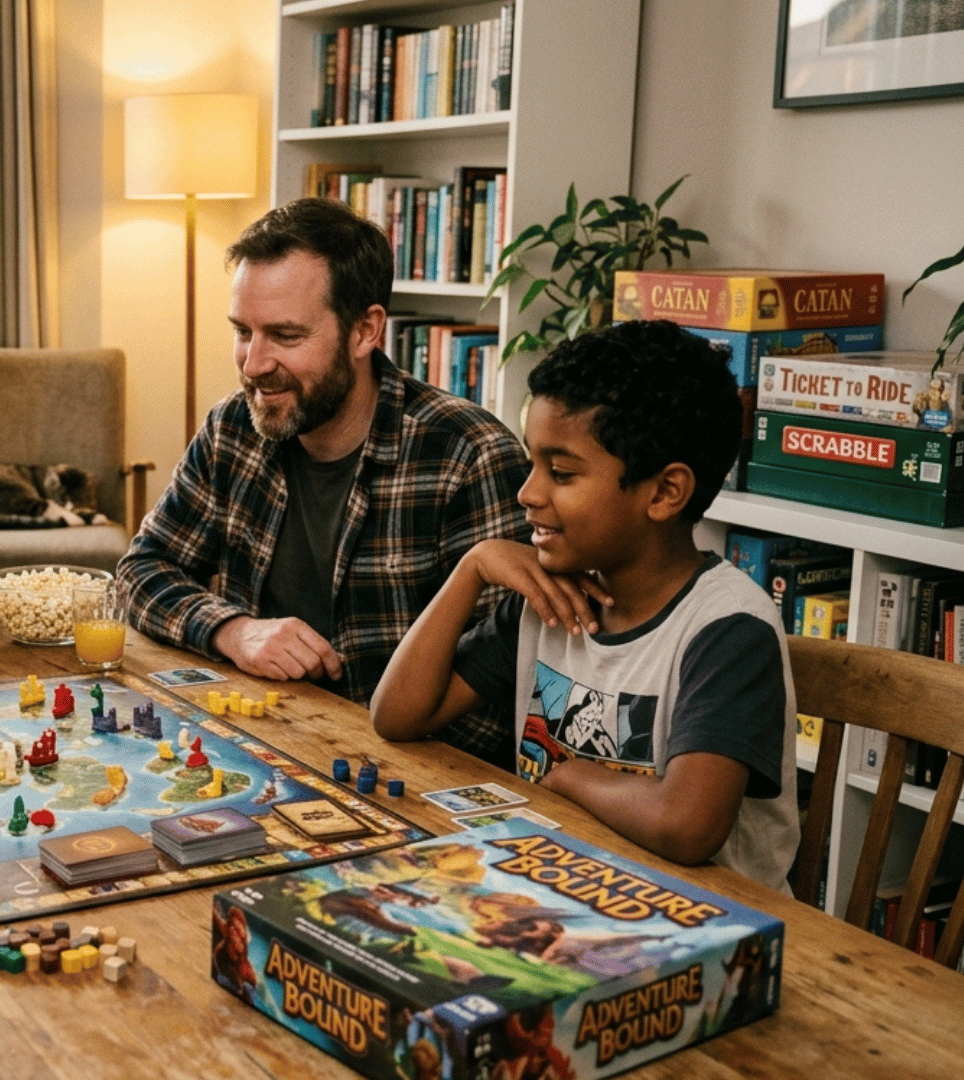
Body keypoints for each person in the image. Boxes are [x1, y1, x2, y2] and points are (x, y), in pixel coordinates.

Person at [369, 320, 800, 892]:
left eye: (562, 473)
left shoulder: (727, 630)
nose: (528, 493)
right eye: (532, 464)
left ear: (665, 492)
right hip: (567, 888)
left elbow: (686, 824)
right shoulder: (555, 599)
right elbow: (396, 716)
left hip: (705, 919)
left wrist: (568, 777)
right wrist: (471, 569)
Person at [117, 197, 528, 764]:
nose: (253, 364)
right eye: (243, 331)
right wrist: (234, 631)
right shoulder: (232, 427)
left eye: (284, 336)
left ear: (365, 332)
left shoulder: (470, 456)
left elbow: (500, 691)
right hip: (250, 742)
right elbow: (141, 571)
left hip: (402, 774)